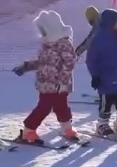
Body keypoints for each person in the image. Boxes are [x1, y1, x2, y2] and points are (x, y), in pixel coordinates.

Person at [13, 10, 80, 143]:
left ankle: (66, 128)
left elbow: (69, 62)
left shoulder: (63, 43)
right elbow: (42, 62)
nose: (41, 32)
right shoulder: (46, 44)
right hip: (47, 83)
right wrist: (26, 66)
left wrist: (61, 80)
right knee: (45, 107)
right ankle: (28, 131)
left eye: (43, 29)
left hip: (59, 84)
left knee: (60, 106)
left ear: (51, 28)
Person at [76, 5, 117, 100]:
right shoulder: (101, 28)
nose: (93, 24)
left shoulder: (106, 26)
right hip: (115, 55)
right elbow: (88, 42)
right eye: (91, 22)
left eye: (93, 21)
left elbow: (88, 42)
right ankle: (116, 92)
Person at [85, 8, 117, 136]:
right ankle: (102, 124)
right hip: (106, 77)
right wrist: (95, 75)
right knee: (106, 102)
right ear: (109, 22)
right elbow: (91, 60)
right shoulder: (99, 38)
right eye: (116, 21)